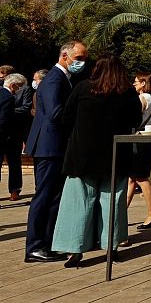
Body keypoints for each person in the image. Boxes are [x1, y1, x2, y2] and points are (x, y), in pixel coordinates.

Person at [51, 56, 142, 267]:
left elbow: (66, 117)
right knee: (113, 202)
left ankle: (75, 249)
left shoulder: (83, 88)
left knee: (78, 202)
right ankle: (111, 246)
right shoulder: (127, 92)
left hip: (82, 155)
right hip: (115, 154)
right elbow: (135, 120)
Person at [25, 40, 88, 263]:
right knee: (44, 196)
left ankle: (47, 242)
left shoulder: (63, 79)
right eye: (78, 58)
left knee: (53, 197)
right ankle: (35, 245)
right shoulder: (54, 79)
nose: (81, 63)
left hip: (55, 146)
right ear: (64, 55)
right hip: (49, 146)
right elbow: (55, 113)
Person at [125, 72, 151, 230]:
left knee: (140, 177)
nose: (134, 84)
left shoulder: (142, 98)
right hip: (147, 139)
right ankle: (120, 212)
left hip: (138, 139)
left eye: (136, 82)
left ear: (143, 83)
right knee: (133, 178)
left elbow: (133, 117)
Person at [1, 73, 27, 201]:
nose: (19, 90)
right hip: (8, 137)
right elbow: (4, 119)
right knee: (14, 163)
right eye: (19, 87)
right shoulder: (8, 98)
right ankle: (14, 191)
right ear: (13, 85)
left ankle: (14, 190)